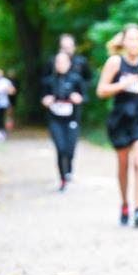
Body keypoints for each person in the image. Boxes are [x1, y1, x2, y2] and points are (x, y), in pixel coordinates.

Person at [97, 23, 138, 227]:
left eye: (137, 39)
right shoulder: (115, 62)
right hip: (120, 117)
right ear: (124, 41)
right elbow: (101, 90)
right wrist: (122, 84)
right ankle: (124, 204)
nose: (133, 43)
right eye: (129, 39)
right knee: (123, 165)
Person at [41, 52, 86, 191]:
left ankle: (69, 169)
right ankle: (62, 179)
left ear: (69, 63)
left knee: (70, 149)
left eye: (63, 61)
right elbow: (43, 97)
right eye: (58, 62)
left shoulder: (76, 79)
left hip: (72, 120)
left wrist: (78, 98)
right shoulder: (49, 81)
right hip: (56, 120)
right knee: (60, 149)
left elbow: (84, 96)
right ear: (55, 64)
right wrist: (46, 100)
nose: (60, 64)